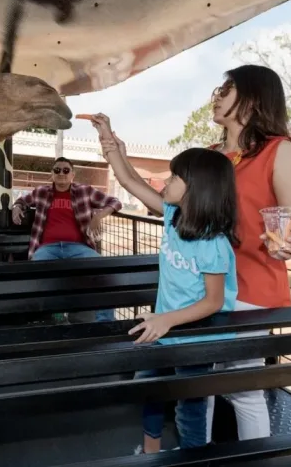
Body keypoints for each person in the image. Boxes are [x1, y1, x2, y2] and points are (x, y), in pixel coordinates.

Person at [92, 113, 238, 453]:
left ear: (197, 189)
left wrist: (166, 319)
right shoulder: (173, 218)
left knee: (190, 404)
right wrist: (113, 149)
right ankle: (151, 451)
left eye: (174, 177)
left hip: (196, 334)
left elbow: (213, 301)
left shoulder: (213, 243)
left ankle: (192, 456)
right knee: (150, 389)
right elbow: (130, 182)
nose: (165, 182)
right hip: (162, 328)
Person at [203, 65, 291, 441]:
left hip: (254, 290)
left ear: (253, 98)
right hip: (206, 287)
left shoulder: (280, 151)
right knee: (202, 382)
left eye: (228, 87)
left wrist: (287, 241)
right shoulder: (212, 155)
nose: (217, 93)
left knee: (245, 389)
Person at [12, 157, 122, 323]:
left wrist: (99, 215)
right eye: (57, 170)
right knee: (35, 275)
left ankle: (105, 324)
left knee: (104, 272)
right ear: (52, 174)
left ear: (73, 174)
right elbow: (21, 200)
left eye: (65, 170)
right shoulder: (41, 192)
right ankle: (45, 321)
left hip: (78, 248)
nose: (61, 173)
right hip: (47, 248)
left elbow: (115, 202)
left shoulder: (85, 191)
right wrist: (17, 207)